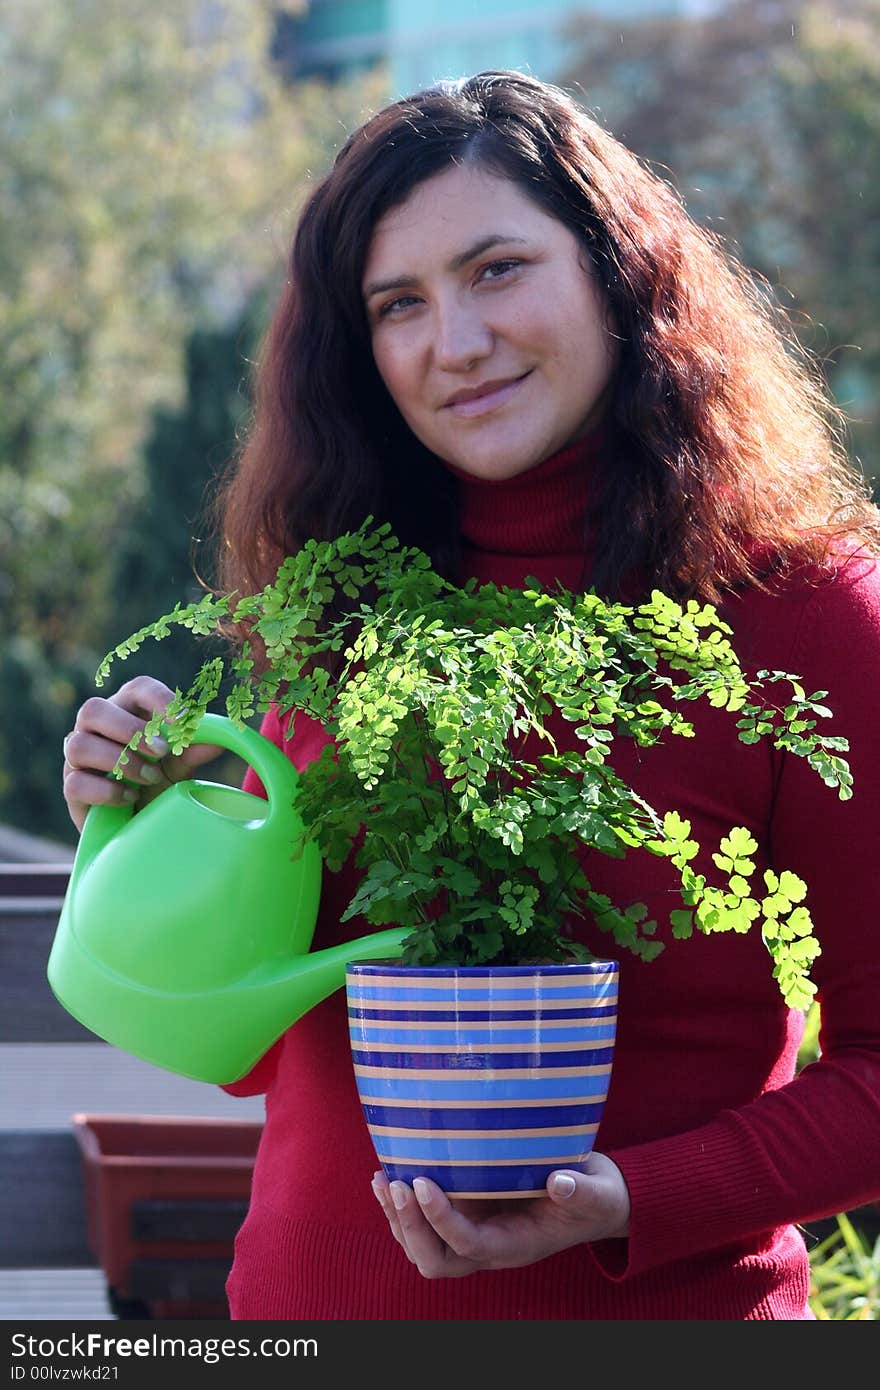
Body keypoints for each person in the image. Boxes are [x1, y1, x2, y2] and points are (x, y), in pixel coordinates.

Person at [61, 69, 880, 1321]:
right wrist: (155, 839)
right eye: (399, 303)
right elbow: (266, 1054)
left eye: (497, 269)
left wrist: (629, 1196)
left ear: (619, 272)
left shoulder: (804, 611)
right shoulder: (347, 595)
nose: (455, 341)